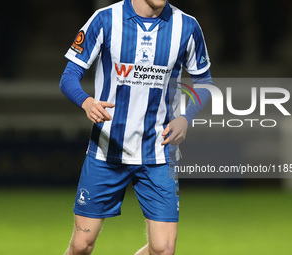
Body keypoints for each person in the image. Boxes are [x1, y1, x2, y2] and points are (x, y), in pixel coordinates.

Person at [60, 0, 212, 254]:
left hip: (158, 151)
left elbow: (204, 82)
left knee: (163, 249)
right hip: (107, 151)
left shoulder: (187, 26)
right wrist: (86, 102)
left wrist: (186, 117)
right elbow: (69, 76)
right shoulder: (105, 19)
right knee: (81, 246)